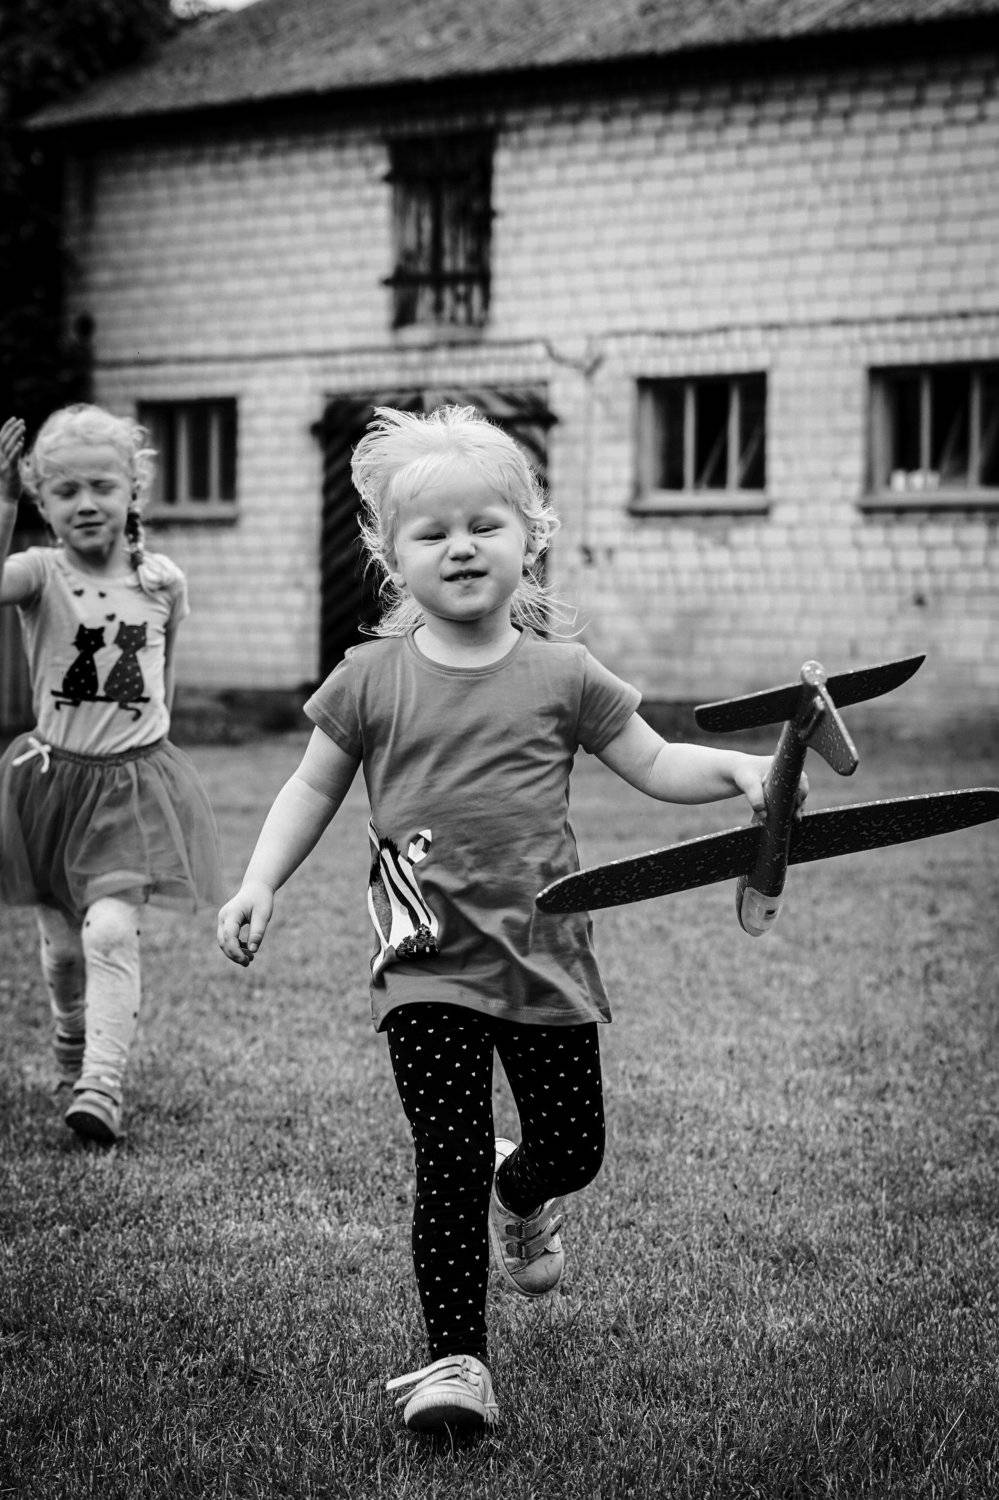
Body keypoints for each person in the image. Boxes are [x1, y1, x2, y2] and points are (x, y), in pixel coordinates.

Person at [217, 404, 805, 1435]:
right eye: (432, 532)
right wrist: (261, 880)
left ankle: (523, 1191)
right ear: (390, 555)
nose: (460, 546)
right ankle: (457, 1364)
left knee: (572, 1148)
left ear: (529, 537)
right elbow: (310, 789)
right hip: (426, 964)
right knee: (444, 1158)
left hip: (544, 956)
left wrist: (742, 773)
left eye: (483, 525)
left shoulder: (562, 673)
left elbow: (655, 760)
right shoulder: (368, 679)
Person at [0, 405, 223, 1146]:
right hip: (52, 787)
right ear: (43, 503)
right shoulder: (40, 573)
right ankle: (70, 1035)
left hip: (129, 788)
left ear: (133, 492)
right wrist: (2, 504)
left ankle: (101, 1084)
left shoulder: (163, 583)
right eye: (66, 491)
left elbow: (166, 680)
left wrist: (152, 751)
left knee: (109, 932)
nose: (87, 503)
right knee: (64, 950)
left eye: (103, 486)